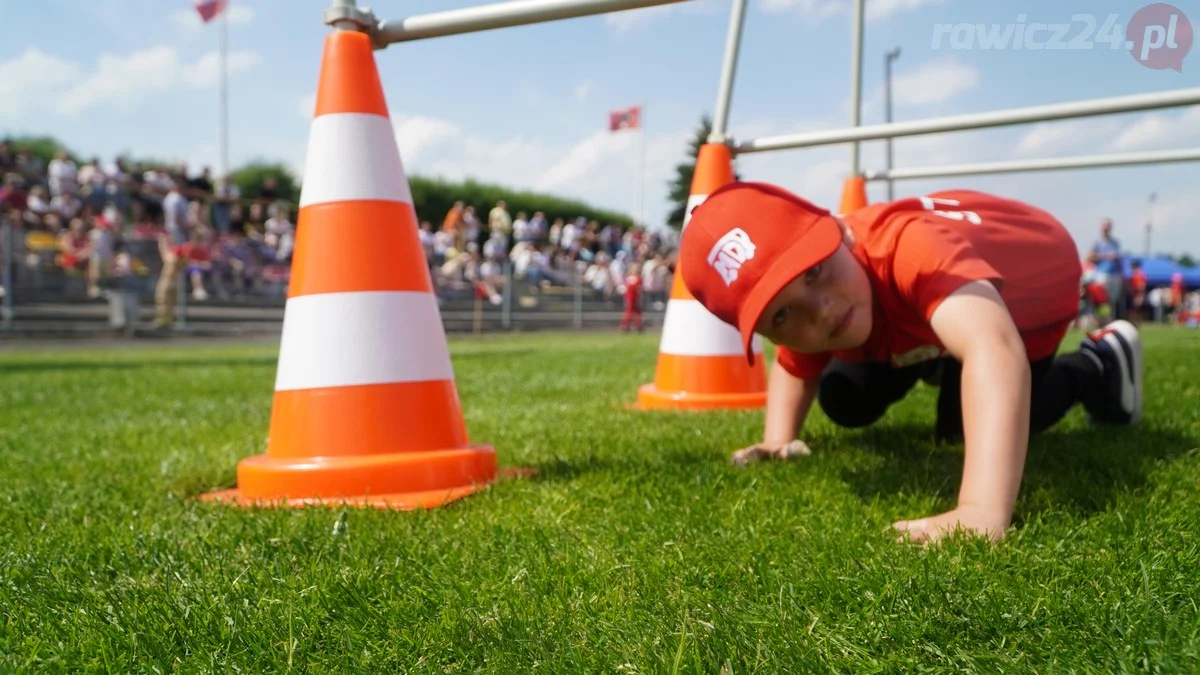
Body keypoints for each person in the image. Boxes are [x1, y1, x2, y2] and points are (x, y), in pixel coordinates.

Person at [678, 182, 1144, 545]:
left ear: (837, 232)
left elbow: (993, 347)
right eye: (781, 313)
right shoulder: (837, 296)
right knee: (844, 397)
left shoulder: (906, 246)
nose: (818, 309)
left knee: (967, 426)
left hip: (1031, 293)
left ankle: (1097, 362)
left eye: (814, 271)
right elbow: (796, 363)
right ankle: (940, 356)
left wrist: (981, 509)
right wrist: (778, 441)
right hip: (931, 304)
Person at [1088, 218, 1124, 323]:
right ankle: (1099, 319)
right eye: (1104, 226)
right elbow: (1090, 257)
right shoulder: (1096, 242)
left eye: (1107, 227)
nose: (1106, 229)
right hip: (1101, 274)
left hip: (1114, 275)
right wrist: (1106, 256)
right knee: (1101, 299)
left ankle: (1109, 320)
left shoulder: (1115, 243)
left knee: (1112, 300)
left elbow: (1119, 260)